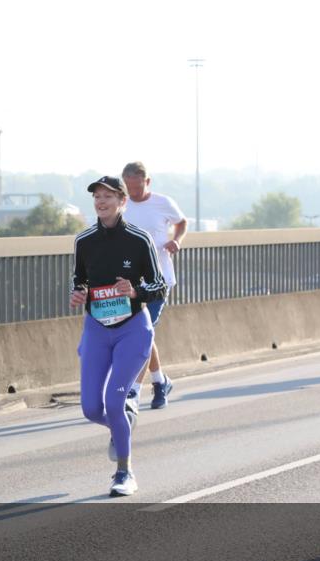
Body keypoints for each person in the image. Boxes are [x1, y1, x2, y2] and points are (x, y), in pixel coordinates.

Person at [71, 176, 167, 496]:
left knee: (114, 399)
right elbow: (80, 281)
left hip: (132, 330)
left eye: (108, 196)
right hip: (97, 330)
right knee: (90, 408)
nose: (101, 201)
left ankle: (124, 472)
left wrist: (135, 289)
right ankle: (123, 418)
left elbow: (159, 287)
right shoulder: (84, 242)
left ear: (122, 202)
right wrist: (79, 294)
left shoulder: (139, 241)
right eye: (97, 196)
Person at [122, 161, 188, 409]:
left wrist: (176, 240)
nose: (133, 193)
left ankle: (134, 392)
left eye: (137, 187)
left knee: (141, 335)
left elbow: (181, 222)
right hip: (130, 284)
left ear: (147, 182)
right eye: (128, 188)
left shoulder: (163, 203)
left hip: (158, 281)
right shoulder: (122, 205)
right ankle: (160, 382)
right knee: (143, 335)